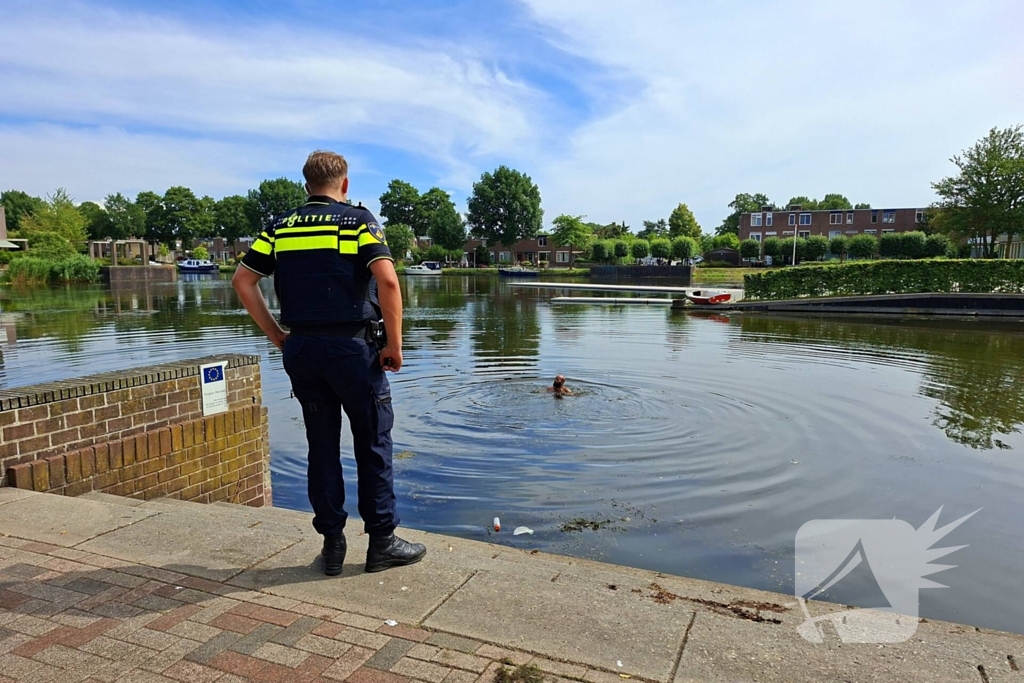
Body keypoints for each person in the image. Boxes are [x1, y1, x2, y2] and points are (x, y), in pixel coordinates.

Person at [232, 150, 426, 576]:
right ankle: (381, 543)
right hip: (353, 350)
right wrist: (394, 344)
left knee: (321, 446)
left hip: (302, 350)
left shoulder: (280, 226)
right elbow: (388, 280)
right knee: (373, 442)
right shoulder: (357, 221)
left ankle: (333, 547)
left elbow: (243, 281)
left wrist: (278, 336)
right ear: (345, 184)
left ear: (306, 185)